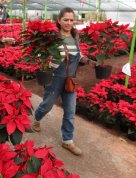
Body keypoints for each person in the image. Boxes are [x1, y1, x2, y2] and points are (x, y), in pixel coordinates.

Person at [31, 7, 97, 156]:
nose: (68, 23)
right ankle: (37, 117)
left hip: (70, 79)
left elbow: (78, 55)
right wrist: (54, 59)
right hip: (54, 78)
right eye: (65, 19)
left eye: (71, 20)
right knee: (47, 105)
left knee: (70, 111)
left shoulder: (75, 37)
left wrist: (88, 61)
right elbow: (44, 57)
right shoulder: (53, 38)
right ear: (59, 21)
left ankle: (67, 140)